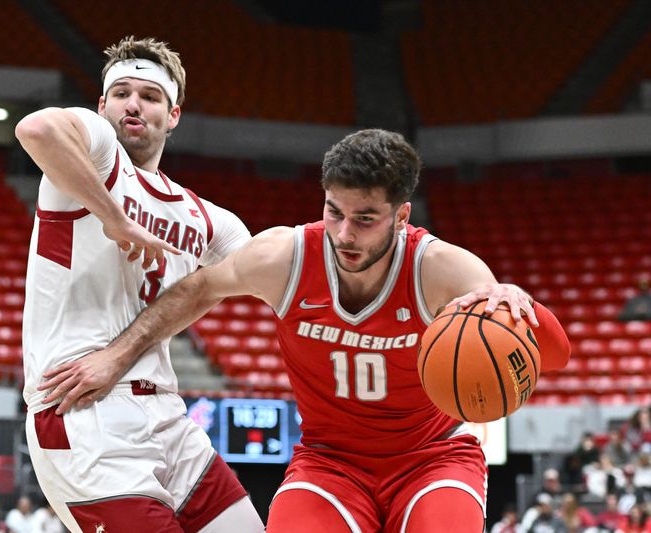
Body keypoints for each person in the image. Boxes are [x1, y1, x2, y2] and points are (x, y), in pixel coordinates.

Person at [40, 129, 571, 531]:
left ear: (402, 215)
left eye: (365, 219)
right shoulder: (286, 256)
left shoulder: (443, 269)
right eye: (333, 211)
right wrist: (116, 355)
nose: (343, 233)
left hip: (432, 458)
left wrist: (518, 306)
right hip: (329, 461)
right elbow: (196, 289)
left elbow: (554, 353)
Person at [15, 35, 262, 532]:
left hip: (168, 416)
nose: (134, 104)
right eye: (122, 93)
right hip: (83, 412)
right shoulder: (98, 154)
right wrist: (115, 219)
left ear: (173, 115)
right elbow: (36, 128)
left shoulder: (204, 217)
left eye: (150, 97)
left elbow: (271, 278)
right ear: (101, 105)